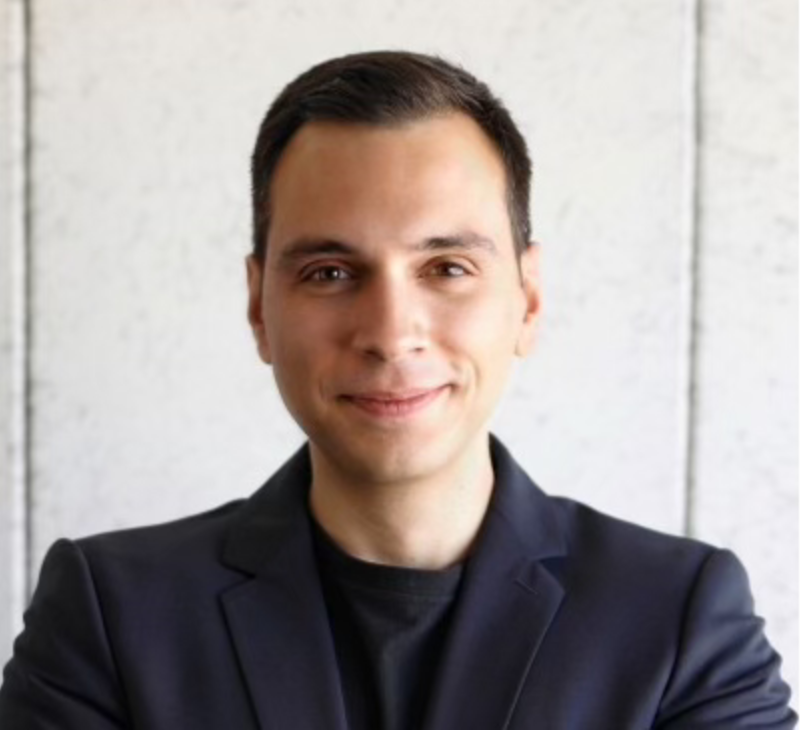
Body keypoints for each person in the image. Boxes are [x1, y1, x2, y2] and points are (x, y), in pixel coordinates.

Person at [0, 51, 794, 729]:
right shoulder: (109, 613)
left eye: (447, 267)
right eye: (330, 272)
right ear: (258, 308)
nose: (389, 331)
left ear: (529, 299)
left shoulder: (679, 616)